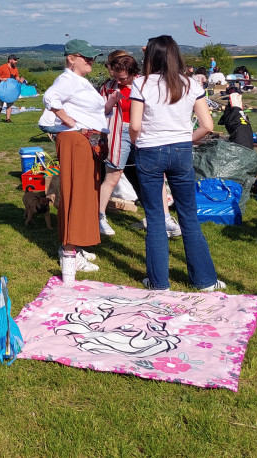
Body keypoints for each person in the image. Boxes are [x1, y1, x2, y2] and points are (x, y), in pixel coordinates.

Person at [129, 35, 224, 292]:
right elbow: (207, 126)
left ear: (151, 56)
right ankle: (205, 280)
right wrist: (185, 139)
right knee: (189, 216)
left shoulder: (141, 84)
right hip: (181, 151)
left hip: (149, 151)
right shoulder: (191, 83)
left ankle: (159, 282)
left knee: (155, 218)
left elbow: (135, 125)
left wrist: (137, 142)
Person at [43, 40, 107, 275]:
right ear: (71, 58)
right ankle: (69, 250)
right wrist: (66, 118)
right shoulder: (67, 80)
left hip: (84, 140)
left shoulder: (79, 80)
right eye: (86, 57)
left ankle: (75, 244)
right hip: (76, 140)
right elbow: (50, 98)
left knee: (84, 194)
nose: (91, 61)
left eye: (93, 57)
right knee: (76, 195)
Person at [96, 51, 139, 237]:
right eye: (116, 77)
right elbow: (100, 112)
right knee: (113, 176)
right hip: (118, 132)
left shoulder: (143, 84)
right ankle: (99, 216)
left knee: (149, 176)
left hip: (141, 132)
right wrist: (112, 101)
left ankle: (157, 216)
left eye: (122, 78)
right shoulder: (108, 87)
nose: (119, 81)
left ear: (133, 73)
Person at [0, 54, 22, 123]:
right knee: (0, 104)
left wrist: (20, 80)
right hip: (2, 89)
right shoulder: (2, 67)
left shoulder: (15, 69)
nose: (16, 61)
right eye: (15, 60)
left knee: (10, 104)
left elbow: (17, 78)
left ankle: (8, 119)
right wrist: (2, 79)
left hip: (11, 89)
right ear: (10, 60)